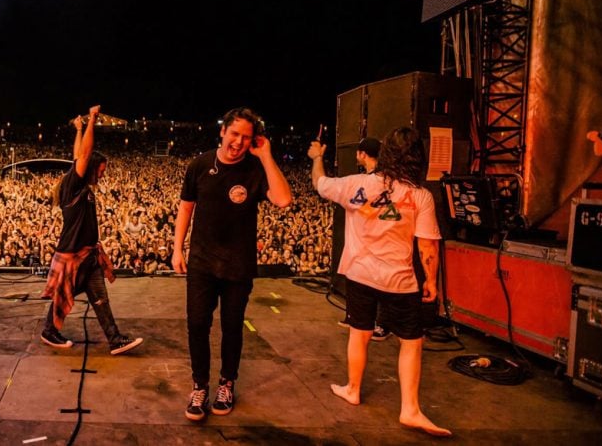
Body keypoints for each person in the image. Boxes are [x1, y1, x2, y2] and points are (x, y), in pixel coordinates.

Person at [308, 126, 451, 437]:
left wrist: (317, 157)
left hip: (360, 273)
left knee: (359, 334)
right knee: (411, 342)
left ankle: (353, 389)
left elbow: (319, 183)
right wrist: (431, 281)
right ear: (418, 157)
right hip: (399, 279)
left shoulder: (356, 184)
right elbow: (428, 246)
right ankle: (410, 409)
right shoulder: (420, 196)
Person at [173, 107, 292, 421]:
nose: (239, 142)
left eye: (247, 137)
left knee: (231, 326)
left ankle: (227, 382)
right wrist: (177, 249)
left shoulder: (255, 168)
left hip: (238, 265)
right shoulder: (199, 165)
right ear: (223, 131)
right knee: (197, 324)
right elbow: (186, 209)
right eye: (235, 133)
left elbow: (283, 199)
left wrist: (266, 156)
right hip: (201, 261)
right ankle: (200, 385)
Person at [40, 105, 143, 356]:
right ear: (92, 167)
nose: (103, 174)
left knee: (100, 299)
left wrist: (77, 129)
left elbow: (78, 156)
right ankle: (49, 331)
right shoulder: (73, 186)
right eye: (101, 169)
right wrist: (91, 121)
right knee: (64, 297)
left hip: (88, 256)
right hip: (73, 254)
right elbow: (83, 156)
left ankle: (115, 338)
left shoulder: (79, 186)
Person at [337, 137, 392, 341]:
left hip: (380, 241)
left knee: (380, 285)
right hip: (365, 242)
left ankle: (383, 324)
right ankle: (358, 317)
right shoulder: (372, 179)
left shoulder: (380, 181)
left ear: (361, 154)